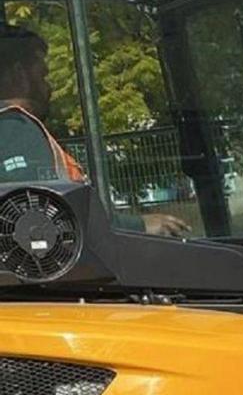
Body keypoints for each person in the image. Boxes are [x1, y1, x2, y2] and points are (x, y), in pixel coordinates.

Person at [0, 25, 189, 237]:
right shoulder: (16, 130)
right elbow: (41, 219)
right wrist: (139, 226)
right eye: (43, 75)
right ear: (18, 75)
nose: (49, 87)